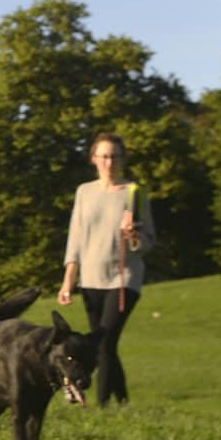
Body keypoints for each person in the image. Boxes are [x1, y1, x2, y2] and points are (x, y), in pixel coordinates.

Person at [57, 132, 156, 407]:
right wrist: (68, 282)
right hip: (91, 279)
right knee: (104, 347)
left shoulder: (134, 193)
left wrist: (132, 236)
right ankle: (122, 403)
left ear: (122, 159)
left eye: (114, 156)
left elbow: (148, 241)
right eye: (104, 156)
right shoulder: (84, 192)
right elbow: (75, 239)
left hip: (123, 279)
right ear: (94, 159)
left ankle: (100, 406)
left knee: (104, 344)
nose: (109, 162)